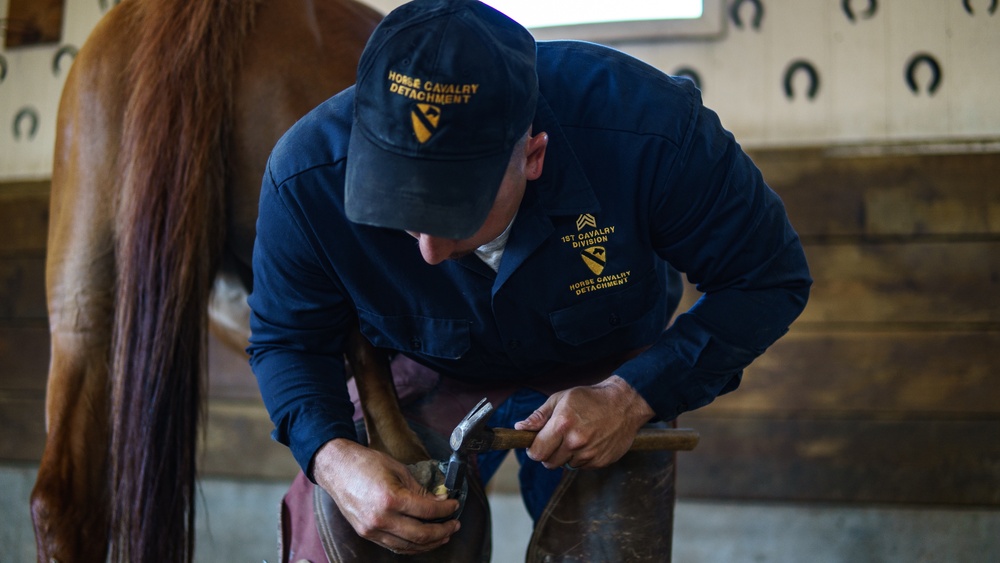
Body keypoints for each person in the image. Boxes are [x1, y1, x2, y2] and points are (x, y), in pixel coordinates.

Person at [248, 0, 811, 557]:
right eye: (400, 212)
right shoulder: (305, 177)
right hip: (426, 361)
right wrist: (331, 456)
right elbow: (286, 341)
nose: (428, 253)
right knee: (357, 534)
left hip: (607, 361)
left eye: (457, 215)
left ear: (532, 156)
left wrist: (635, 394)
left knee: (611, 549)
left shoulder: (652, 132)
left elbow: (767, 278)